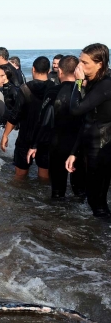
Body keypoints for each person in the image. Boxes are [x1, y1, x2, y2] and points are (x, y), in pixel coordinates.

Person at [26, 55, 85, 200]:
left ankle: (57, 219)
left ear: (60, 71)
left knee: (58, 191)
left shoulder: (53, 91)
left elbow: (43, 120)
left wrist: (34, 144)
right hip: (80, 146)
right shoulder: (85, 91)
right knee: (80, 190)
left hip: (58, 144)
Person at [66, 43, 111, 217]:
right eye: (79, 61)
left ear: (99, 63)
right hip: (91, 144)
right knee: (92, 199)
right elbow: (86, 120)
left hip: (103, 148)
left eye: (85, 63)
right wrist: (74, 152)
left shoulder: (106, 84)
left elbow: (76, 109)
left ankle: (101, 241)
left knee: (97, 202)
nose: (79, 67)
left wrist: (77, 82)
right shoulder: (94, 82)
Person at [0, 56, 55, 178]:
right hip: (46, 136)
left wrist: (5, 135)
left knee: (20, 175)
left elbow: (15, 115)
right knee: (44, 175)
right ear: (49, 70)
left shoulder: (25, 89)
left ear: (33, 69)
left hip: (26, 136)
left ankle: (20, 196)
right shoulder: (54, 88)